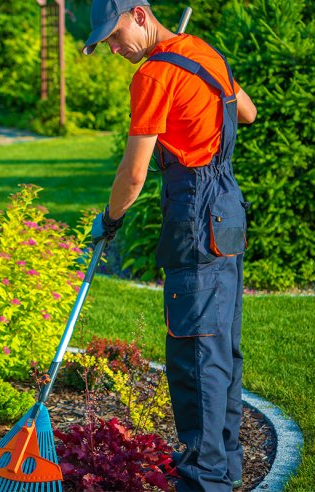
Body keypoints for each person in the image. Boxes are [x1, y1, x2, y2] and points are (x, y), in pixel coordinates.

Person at [84, 1, 257, 490]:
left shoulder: (154, 75)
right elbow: (247, 112)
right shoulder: (203, 53)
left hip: (194, 212)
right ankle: (224, 466)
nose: (114, 49)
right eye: (105, 43)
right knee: (221, 347)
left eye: (114, 35)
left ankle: (204, 480)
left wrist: (110, 219)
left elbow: (134, 172)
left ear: (140, 14)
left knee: (195, 353)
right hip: (227, 207)